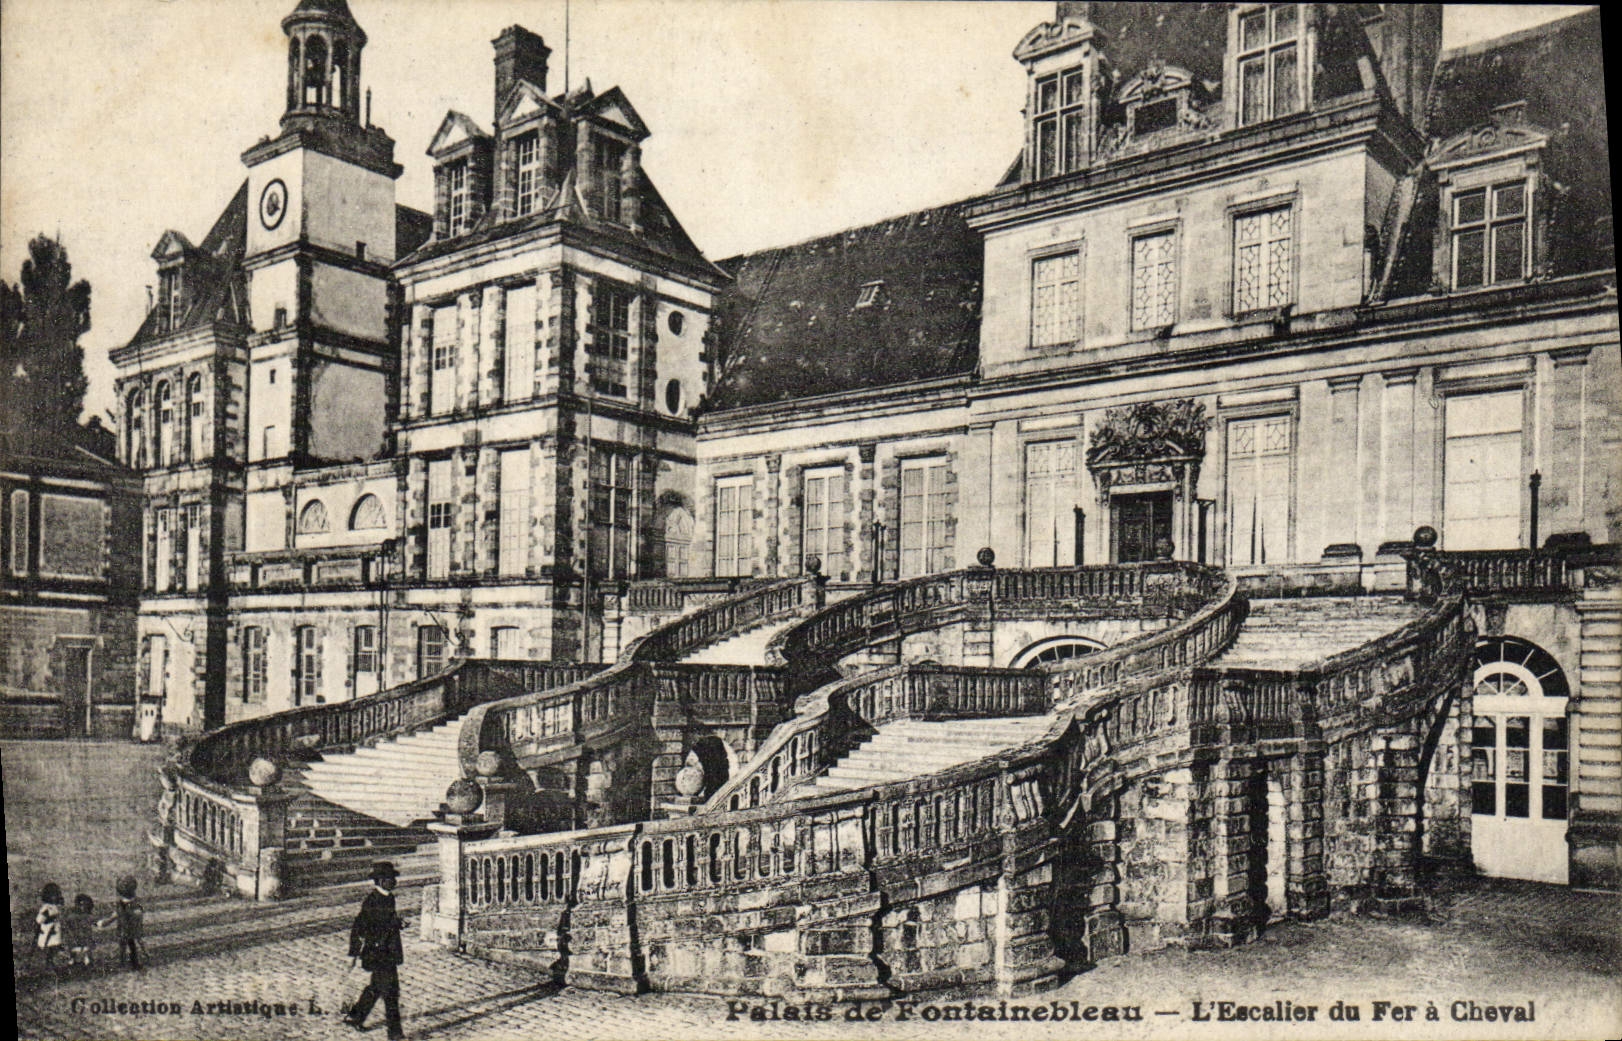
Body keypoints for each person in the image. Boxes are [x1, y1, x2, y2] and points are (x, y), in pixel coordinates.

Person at [345, 861, 405, 1039]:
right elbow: (359, 927)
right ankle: (395, 1034)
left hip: (388, 952)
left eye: (393, 878)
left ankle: (355, 1016)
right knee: (391, 992)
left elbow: (388, 921)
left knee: (377, 987)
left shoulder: (389, 897)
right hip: (378, 954)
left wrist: (398, 923)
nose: (393, 881)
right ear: (379, 881)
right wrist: (353, 953)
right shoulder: (371, 901)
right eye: (388, 879)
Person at [97, 875, 146, 970]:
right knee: (132, 946)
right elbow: (139, 913)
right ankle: (134, 962)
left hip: (123, 930)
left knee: (123, 946)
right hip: (132, 929)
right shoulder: (136, 904)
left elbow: (114, 917)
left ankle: (123, 962)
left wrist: (102, 923)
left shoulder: (121, 906)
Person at [62, 894, 96, 968]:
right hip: (80, 940)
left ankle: (78, 959)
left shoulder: (71, 917)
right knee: (82, 947)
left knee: (80, 947)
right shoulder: (84, 917)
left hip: (78, 940)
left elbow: (65, 926)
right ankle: (81, 959)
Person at [35, 883, 64, 968]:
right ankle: (49, 962)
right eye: (53, 896)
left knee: (55, 946)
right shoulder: (47, 908)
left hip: (54, 930)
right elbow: (39, 919)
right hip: (48, 930)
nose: (55, 898)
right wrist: (47, 918)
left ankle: (51, 961)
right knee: (50, 946)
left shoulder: (54, 906)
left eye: (57, 895)